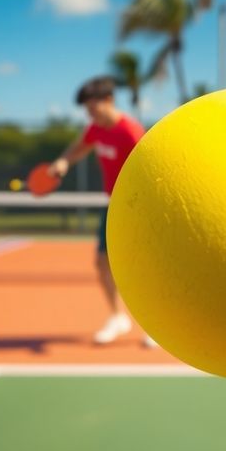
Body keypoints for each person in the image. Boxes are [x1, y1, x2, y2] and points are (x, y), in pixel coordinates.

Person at [46, 76, 156, 348]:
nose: (89, 114)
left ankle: (155, 326)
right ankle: (118, 318)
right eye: (87, 110)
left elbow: (149, 171)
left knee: (147, 269)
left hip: (138, 207)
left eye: (93, 108)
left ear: (108, 101)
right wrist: (63, 161)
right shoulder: (96, 129)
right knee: (101, 262)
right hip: (113, 205)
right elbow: (79, 147)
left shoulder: (130, 131)